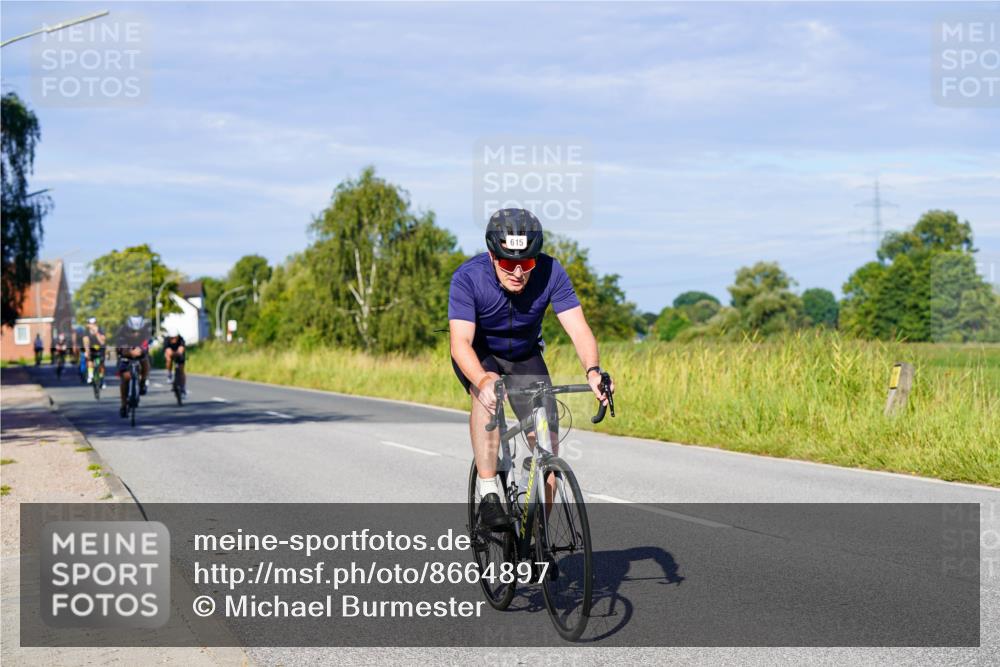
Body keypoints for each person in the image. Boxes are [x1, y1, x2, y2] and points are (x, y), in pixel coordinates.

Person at [449, 208, 613, 530]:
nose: (519, 272)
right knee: (488, 392)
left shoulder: (551, 272)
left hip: (524, 355)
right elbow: (460, 343)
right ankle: (488, 490)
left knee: (548, 454)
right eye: (509, 263)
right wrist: (482, 380)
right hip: (480, 354)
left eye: (527, 263)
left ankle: (535, 539)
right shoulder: (468, 278)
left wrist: (593, 371)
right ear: (493, 257)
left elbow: (578, 329)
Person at [114, 315, 150, 418]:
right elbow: (120, 347)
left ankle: (143, 382)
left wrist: (142, 350)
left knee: (145, 361)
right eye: (133, 331)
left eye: (138, 331)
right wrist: (128, 351)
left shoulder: (145, 332)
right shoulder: (122, 331)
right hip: (125, 354)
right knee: (125, 377)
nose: (136, 334)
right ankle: (124, 404)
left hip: (140, 352)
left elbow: (146, 344)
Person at [82, 317, 107, 387]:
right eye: (90, 324)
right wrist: (87, 351)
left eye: (93, 324)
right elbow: (85, 341)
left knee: (101, 364)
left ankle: (102, 379)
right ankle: (90, 375)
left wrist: (96, 333)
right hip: (91, 348)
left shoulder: (101, 330)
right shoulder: (86, 331)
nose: (92, 325)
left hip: (100, 348)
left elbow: (102, 342)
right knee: (89, 360)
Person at [163, 328, 186, 396]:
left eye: (175, 337)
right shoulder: (166, 340)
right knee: (168, 358)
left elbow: (181, 350)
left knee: (182, 371)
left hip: (179, 353)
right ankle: (169, 373)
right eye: (172, 338)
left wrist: (179, 353)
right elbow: (168, 351)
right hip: (170, 353)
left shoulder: (181, 339)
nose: (174, 339)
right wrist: (172, 353)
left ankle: (183, 387)